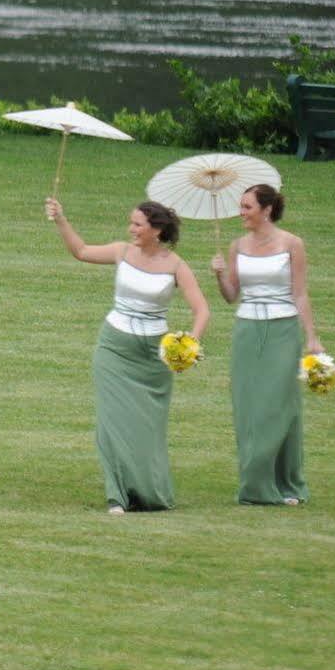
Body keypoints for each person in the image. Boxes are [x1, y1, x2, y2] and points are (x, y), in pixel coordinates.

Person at [48, 197, 209, 514]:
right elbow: (81, 251)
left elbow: (202, 310)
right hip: (114, 348)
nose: (131, 229)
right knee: (112, 423)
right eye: (131, 223)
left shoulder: (176, 265)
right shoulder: (121, 251)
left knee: (148, 427)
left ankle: (149, 493)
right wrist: (60, 219)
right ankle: (117, 496)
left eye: (137, 224)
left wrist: (190, 343)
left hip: (154, 356)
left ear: (157, 229)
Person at [210, 183, 323, 506]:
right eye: (240, 206)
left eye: (247, 207)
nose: (241, 213)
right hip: (247, 329)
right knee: (248, 406)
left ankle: (288, 483)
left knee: (279, 405)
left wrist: (312, 337)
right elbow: (232, 295)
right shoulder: (236, 245)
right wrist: (219, 276)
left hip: (282, 329)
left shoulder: (292, 244)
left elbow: (300, 293)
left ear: (267, 209)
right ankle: (256, 485)